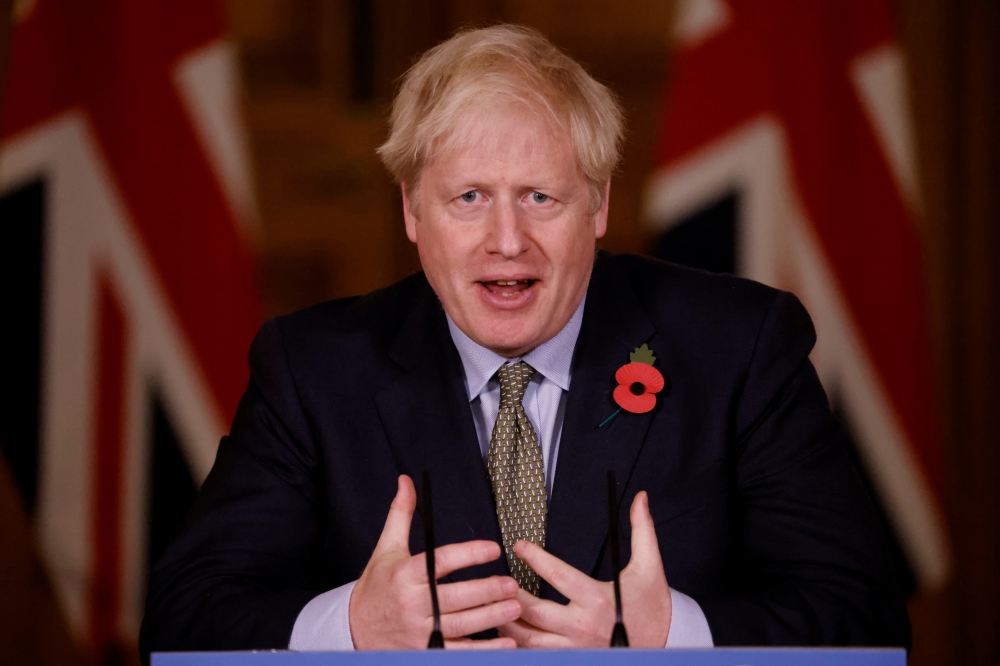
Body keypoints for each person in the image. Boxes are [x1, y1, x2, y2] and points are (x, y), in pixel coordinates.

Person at [140, 24, 910, 655]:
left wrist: (673, 635)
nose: (506, 241)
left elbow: (866, 618)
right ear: (413, 212)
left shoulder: (740, 349)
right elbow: (181, 619)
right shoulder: (312, 370)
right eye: (468, 197)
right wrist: (349, 628)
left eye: (541, 197)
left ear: (599, 205)